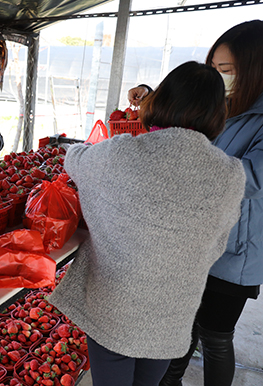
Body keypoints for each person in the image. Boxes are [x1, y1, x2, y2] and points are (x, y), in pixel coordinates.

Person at [48, 61, 246, 386]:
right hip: (171, 315)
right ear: (218, 113)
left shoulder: (123, 152)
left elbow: (76, 161)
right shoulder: (230, 174)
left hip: (113, 308)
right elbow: (215, 244)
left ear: (162, 99)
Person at [128, 21, 263, 386]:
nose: (219, 78)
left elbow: (253, 178)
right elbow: (191, 113)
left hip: (237, 249)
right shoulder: (225, 102)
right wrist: (154, 95)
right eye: (214, 69)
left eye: (227, 71)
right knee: (179, 330)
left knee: (216, 336)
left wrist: (186, 159)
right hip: (195, 241)